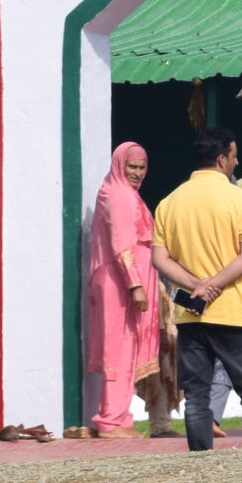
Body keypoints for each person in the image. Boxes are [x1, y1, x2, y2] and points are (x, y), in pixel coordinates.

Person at [151, 125, 242, 452]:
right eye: (233, 157)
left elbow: (160, 259)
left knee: (197, 394)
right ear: (221, 159)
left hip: (191, 313)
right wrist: (213, 285)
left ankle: (201, 460)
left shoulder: (170, 202)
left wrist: (195, 286)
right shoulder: (239, 199)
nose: (236, 163)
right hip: (233, 311)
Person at [80, 142, 162, 438]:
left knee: (127, 349)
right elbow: (121, 243)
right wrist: (135, 285)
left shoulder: (126, 194)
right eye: (132, 167)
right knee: (119, 349)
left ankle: (119, 416)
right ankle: (110, 420)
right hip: (120, 285)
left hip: (125, 283)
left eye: (141, 168)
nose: (138, 173)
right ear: (119, 165)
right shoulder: (117, 195)